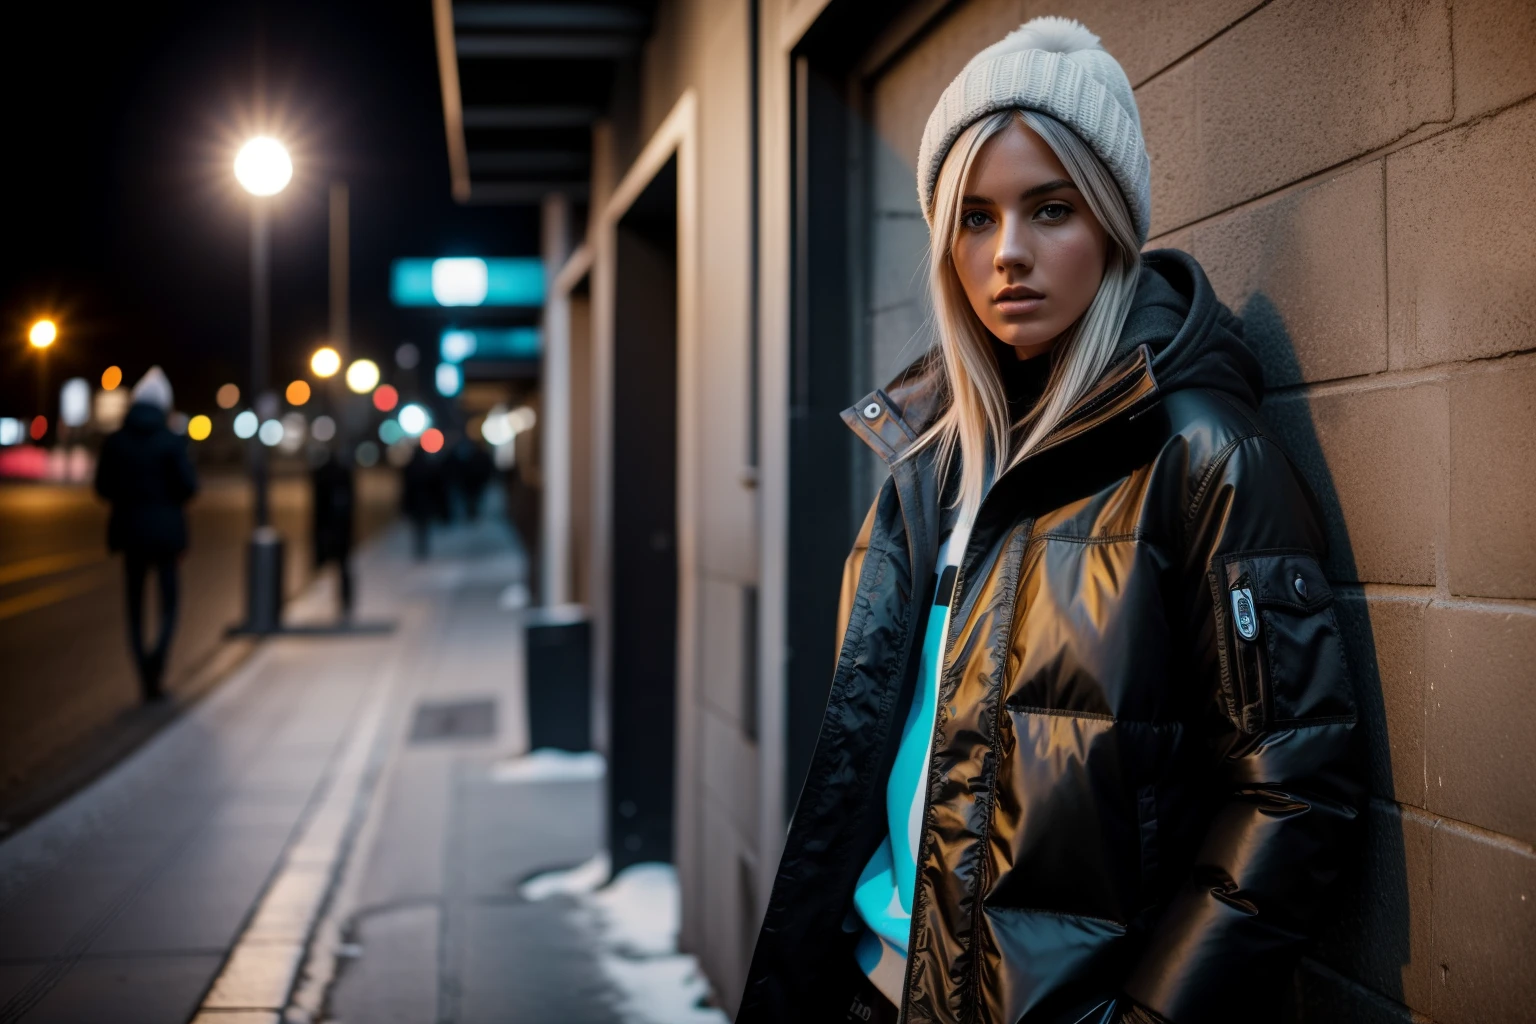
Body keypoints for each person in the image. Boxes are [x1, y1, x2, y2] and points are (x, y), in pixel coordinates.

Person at [740, 18, 1360, 1024]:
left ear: (1112, 222)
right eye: (975, 218)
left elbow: (1294, 794)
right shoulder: (927, 459)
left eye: (1050, 208)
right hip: (873, 988)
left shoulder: (1201, 452)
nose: (1009, 255)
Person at [93, 366, 197, 702]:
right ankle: (157, 663)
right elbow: (189, 486)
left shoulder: (116, 441)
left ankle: (144, 674)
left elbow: (102, 487)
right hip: (167, 534)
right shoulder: (171, 440)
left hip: (130, 533)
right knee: (170, 605)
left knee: (134, 608)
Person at [310, 448, 355, 617]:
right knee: (343, 566)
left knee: (338, 566)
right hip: (340, 529)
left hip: (331, 529)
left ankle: (342, 600)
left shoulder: (323, 475)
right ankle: (343, 600)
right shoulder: (342, 475)